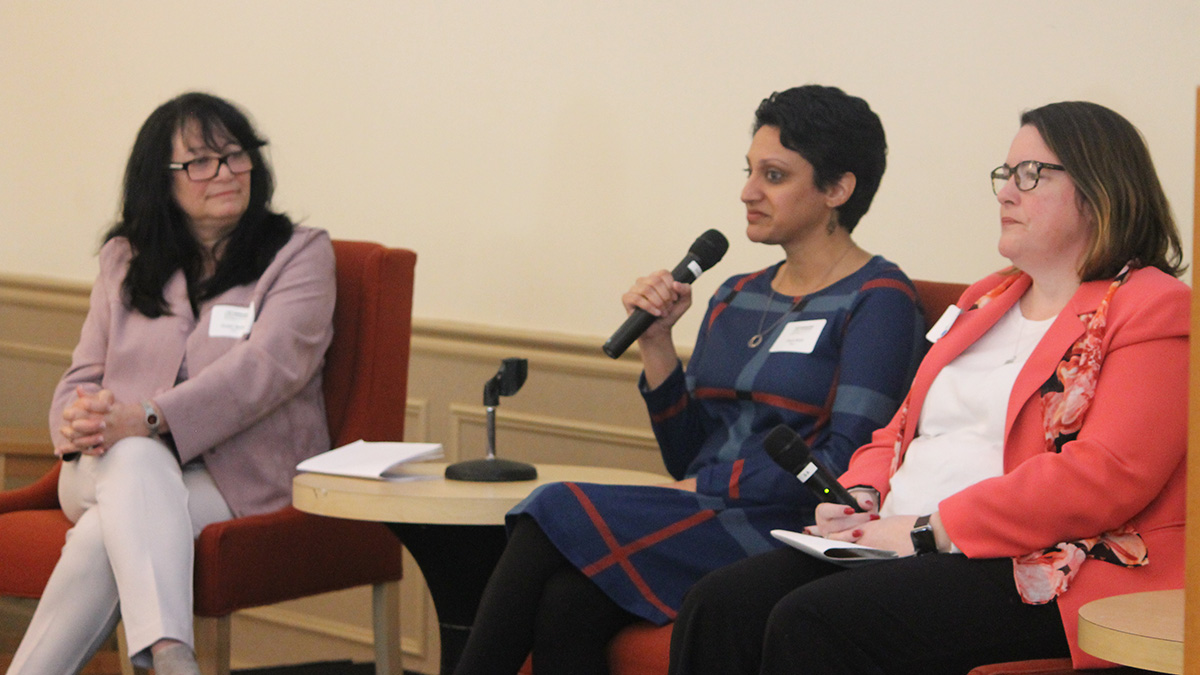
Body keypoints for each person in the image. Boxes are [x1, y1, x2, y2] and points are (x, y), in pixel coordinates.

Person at [668, 100, 1188, 675]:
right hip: (899, 538)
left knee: (813, 619)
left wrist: (926, 531)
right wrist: (860, 497)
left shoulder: (1154, 306)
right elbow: (899, 428)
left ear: (1102, 188)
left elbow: (1105, 476)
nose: (1006, 193)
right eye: (1005, 175)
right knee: (720, 604)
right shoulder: (986, 298)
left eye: (1030, 175)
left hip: (1034, 560)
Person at [454, 85, 926, 675]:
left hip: (783, 525)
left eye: (774, 176)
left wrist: (707, 489)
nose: (747, 192)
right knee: (564, 604)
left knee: (554, 504)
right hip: (703, 508)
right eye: (749, 171)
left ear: (838, 189)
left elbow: (842, 466)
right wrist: (655, 345)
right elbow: (686, 457)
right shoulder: (734, 294)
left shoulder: (879, 300)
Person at [6, 93, 335, 675]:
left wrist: (148, 417)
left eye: (237, 156)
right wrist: (79, 418)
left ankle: (162, 656)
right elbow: (82, 374)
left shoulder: (298, 255)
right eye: (201, 162)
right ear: (161, 180)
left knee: (99, 539)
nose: (227, 173)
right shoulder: (124, 259)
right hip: (101, 465)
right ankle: (174, 660)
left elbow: (267, 370)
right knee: (132, 459)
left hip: (235, 476)